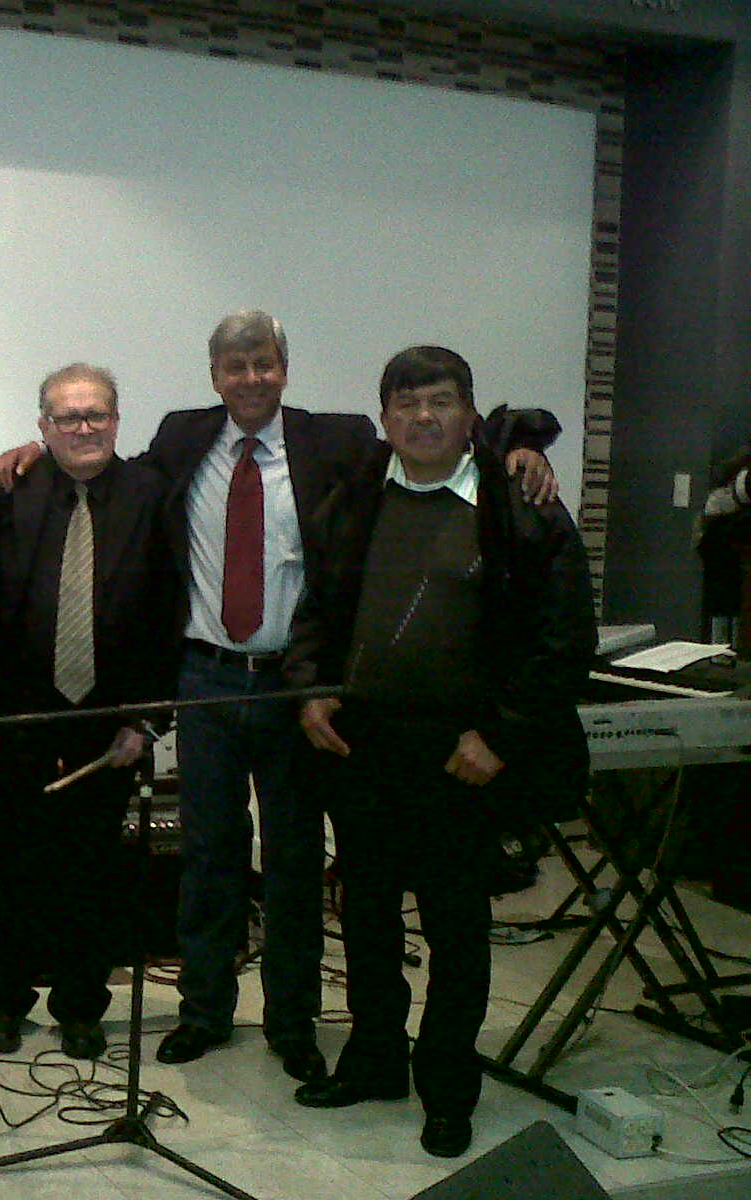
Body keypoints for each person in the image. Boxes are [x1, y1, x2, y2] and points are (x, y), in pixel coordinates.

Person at [0, 311, 559, 1085]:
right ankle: (204, 1011)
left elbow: (431, 443)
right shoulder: (183, 439)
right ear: (214, 376)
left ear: (284, 369)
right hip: (204, 682)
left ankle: (292, 1021)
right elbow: (103, 466)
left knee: (292, 862)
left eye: (263, 363)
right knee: (207, 856)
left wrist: (517, 452)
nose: (250, 378)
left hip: (297, 687)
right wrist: (31, 453)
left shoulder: (339, 441)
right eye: (235, 366)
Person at [284, 345, 592, 1156]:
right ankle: (375, 1058)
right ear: (384, 418)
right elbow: (317, 609)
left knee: (456, 930)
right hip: (362, 748)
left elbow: (564, 641)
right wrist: (310, 688)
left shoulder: (520, 506)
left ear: (470, 415)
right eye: (407, 404)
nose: (423, 417)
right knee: (367, 920)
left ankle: (448, 1086)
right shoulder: (354, 498)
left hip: (463, 756)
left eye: (441, 401)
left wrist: (501, 736)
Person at [0, 364, 179, 1060]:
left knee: (95, 872)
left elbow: (168, 614)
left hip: (111, 722)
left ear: (117, 421)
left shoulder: (151, 495)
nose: (84, 428)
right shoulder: (8, 491)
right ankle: (3, 1001)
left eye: (96, 415)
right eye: (67, 417)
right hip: (22, 719)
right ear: (44, 426)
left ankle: (82, 1005)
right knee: (11, 867)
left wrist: (146, 721)